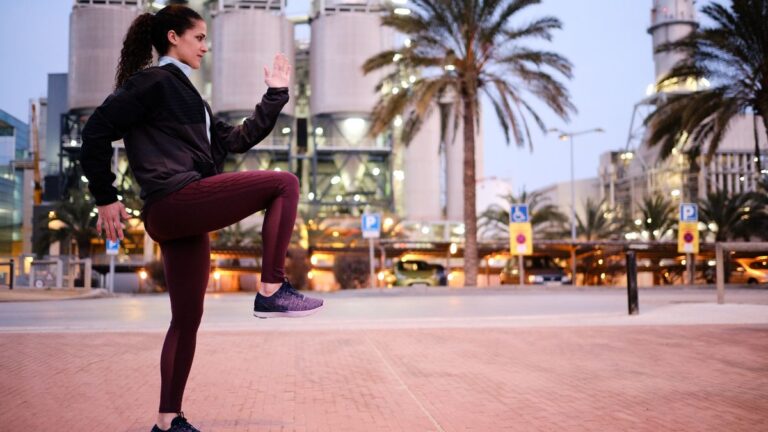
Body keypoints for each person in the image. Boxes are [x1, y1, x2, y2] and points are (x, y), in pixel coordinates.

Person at [80, 5, 324, 432]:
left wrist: (276, 95)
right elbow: (95, 130)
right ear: (173, 37)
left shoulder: (192, 97)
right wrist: (106, 196)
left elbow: (236, 140)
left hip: (179, 214)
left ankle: (167, 420)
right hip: (176, 198)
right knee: (284, 183)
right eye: (199, 38)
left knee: (186, 319)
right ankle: (271, 287)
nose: (206, 47)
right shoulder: (152, 81)